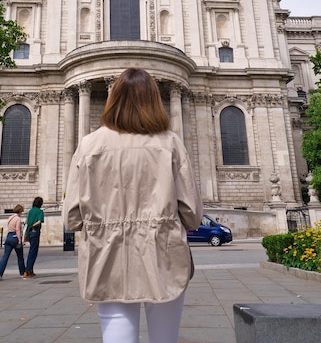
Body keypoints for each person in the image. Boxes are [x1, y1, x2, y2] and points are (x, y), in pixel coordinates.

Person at [63, 67, 203, 343]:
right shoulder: (171, 144)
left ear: (112, 99)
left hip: (106, 256)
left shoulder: (89, 145)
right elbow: (192, 214)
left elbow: (71, 217)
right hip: (162, 254)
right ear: (153, 99)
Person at [0, 204, 25, 280]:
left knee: (5, 256)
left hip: (8, 237)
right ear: (20, 211)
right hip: (15, 237)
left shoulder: (10, 218)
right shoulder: (18, 219)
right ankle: (22, 273)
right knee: (20, 257)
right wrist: (20, 240)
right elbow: (18, 229)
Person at [23, 196, 44, 278]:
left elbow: (27, 221)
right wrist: (33, 225)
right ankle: (27, 271)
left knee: (31, 250)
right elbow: (39, 221)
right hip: (35, 232)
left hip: (29, 233)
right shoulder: (40, 211)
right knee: (33, 252)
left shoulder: (30, 211)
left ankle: (30, 270)